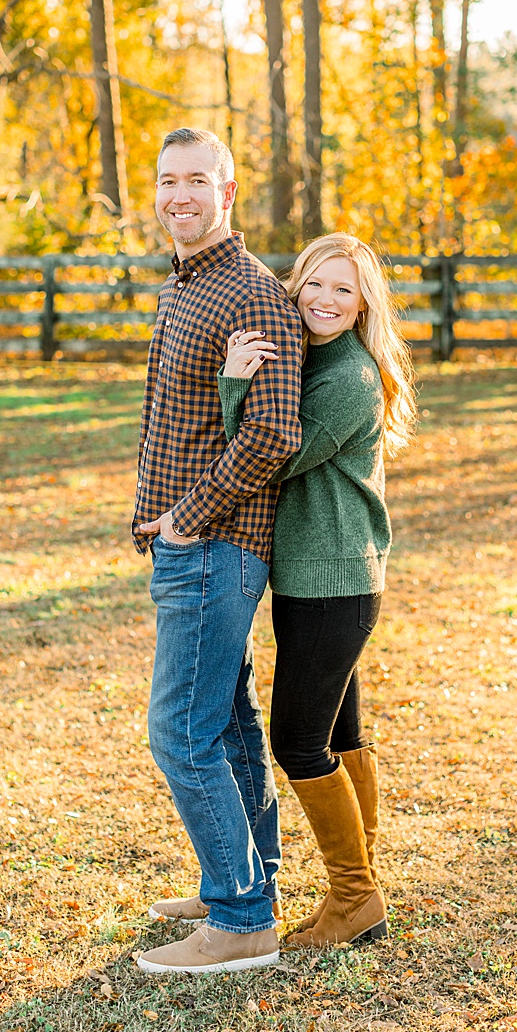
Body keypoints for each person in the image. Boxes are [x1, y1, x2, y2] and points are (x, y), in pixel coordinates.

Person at [130, 127, 305, 975]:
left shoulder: (251, 294)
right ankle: (241, 879)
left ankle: (241, 921)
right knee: (229, 725)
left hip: (216, 547)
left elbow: (274, 428)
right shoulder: (184, 287)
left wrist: (188, 519)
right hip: (187, 547)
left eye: (197, 181)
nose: (179, 196)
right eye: (168, 182)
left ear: (228, 191)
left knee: (179, 732)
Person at [219, 233, 419, 948]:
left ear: (364, 302)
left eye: (343, 289)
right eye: (315, 285)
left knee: (299, 743)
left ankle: (355, 897)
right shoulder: (322, 360)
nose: (326, 301)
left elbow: (273, 457)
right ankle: (358, 889)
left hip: (331, 587)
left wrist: (235, 383)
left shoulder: (346, 378)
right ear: (295, 286)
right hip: (334, 578)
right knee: (342, 736)